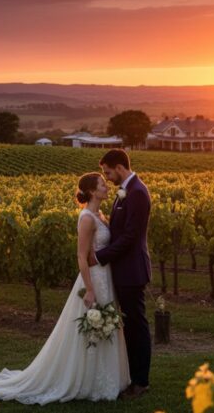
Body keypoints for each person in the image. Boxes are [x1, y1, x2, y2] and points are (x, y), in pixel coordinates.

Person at [0, 172, 130, 404]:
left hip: (106, 277)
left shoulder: (100, 215)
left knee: (105, 326)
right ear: (93, 192)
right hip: (93, 279)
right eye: (102, 185)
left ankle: (103, 379)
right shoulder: (86, 218)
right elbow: (81, 257)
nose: (107, 187)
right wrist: (91, 289)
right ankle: (88, 380)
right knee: (93, 326)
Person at [89, 148, 152, 399]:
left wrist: (99, 256)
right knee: (130, 325)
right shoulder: (126, 191)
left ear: (119, 167)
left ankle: (141, 382)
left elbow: (129, 238)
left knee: (136, 326)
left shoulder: (137, 192)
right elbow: (118, 230)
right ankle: (133, 377)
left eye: (107, 172)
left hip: (131, 271)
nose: (107, 177)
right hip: (123, 270)